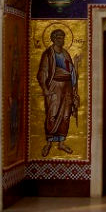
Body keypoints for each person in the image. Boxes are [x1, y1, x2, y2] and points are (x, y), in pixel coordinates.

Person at [36, 29, 81, 157]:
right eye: (59, 38)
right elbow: (42, 72)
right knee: (52, 114)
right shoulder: (48, 54)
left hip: (67, 88)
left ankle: (61, 143)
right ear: (53, 39)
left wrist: (75, 63)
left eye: (63, 37)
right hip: (54, 87)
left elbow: (72, 73)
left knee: (66, 115)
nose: (62, 40)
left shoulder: (66, 54)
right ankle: (49, 143)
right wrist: (45, 89)